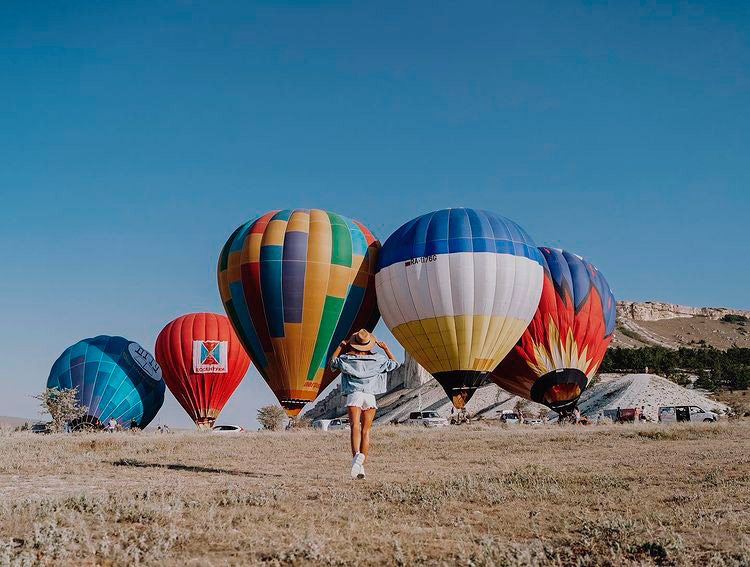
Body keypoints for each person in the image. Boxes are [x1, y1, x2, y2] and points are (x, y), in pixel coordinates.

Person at [330, 329, 400, 479]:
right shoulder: (378, 360)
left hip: (354, 394)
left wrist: (340, 346)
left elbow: (333, 364)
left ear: (354, 344)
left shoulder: (346, 359)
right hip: (370, 396)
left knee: (355, 426)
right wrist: (386, 348)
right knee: (366, 431)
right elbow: (394, 364)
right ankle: (361, 468)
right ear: (369, 345)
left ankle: (356, 457)